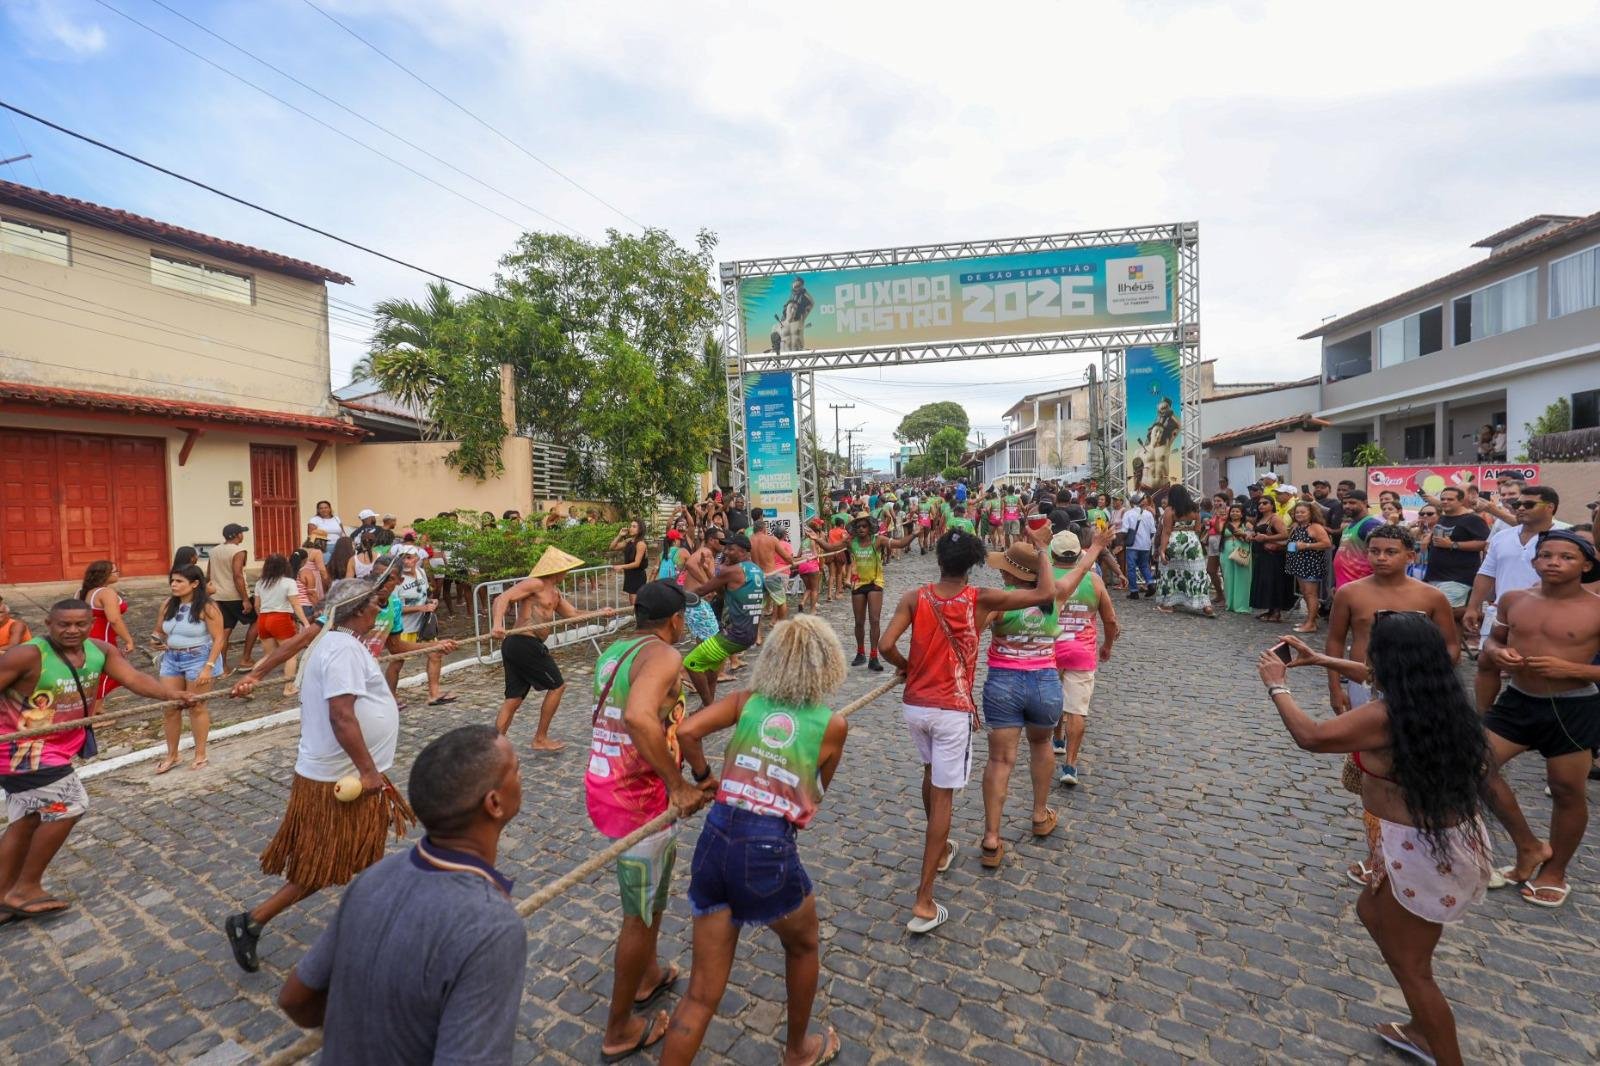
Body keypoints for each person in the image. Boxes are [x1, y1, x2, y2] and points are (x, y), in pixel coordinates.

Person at [1261, 613, 1491, 1066]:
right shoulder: (1434, 697)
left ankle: (1441, 1049)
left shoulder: (1385, 715)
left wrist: (1277, 684)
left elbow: (1310, 737)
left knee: (1414, 969)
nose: (1364, 661)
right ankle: (1421, 1030)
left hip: (1418, 850)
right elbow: (1370, 678)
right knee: (1371, 910)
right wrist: (1320, 659)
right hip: (1421, 842)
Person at [878, 528, 1107, 933]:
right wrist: (1053, 553)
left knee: (947, 771)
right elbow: (1050, 591)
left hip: (923, 705)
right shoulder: (985, 598)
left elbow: (886, 645)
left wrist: (909, 665)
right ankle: (926, 899)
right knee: (956, 790)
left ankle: (967, 841)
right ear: (972, 565)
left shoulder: (923, 597)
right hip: (979, 701)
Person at [278, 724, 525, 1063]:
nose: (521, 769)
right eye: (516, 768)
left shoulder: (375, 877)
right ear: (494, 803)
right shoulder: (491, 926)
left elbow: (295, 999)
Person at [664, 615, 849, 1066]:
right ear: (827, 667)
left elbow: (687, 731)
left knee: (701, 993)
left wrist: (705, 778)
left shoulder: (745, 701)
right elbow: (813, 798)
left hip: (715, 838)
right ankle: (798, 1049)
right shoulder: (832, 726)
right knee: (802, 945)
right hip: (767, 848)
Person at [225, 579, 419, 973]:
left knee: (359, 853)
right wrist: (368, 771)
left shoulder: (337, 641)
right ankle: (251, 922)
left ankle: (375, 921)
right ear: (359, 611)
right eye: (375, 606)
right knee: (321, 865)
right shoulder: (342, 648)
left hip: (345, 772)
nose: (379, 612)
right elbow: (341, 714)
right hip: (340, 776)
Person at [585, 581, 713, 1062]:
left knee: (653, 894)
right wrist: (677, 784)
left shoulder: (618, 649)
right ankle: (618, 1028)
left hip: (614, 785)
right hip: (637, 797)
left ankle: (649, 975)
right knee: (637, 913)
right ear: (675, 619)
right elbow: (640, 717)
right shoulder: (663, 657)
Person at [0, 600, 191, 921]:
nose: (72, 630)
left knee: (29, 818)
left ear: (90, 623)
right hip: (21, 754)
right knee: (69, 806)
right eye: (64, 624)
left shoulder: (100, 650)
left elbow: (133, 678)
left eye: (80, 624)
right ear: (48, 623)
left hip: (56, 749)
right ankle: (25, 889)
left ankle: (3, 896)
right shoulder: (27, 655)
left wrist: (169, 694)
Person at [1478, 530, 1600, 909]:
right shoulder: (1514, 600)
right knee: (1473, 766)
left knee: (1566, 789)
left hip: (1573, 706)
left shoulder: (1596, 608)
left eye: (1565, 557)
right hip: (1518, 701)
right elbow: (1493, 642)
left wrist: (1572, 668)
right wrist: (1497, 653)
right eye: (1546, 555)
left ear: (1586, 565)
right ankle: (1528, 846)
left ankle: (1555, 871)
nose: (1553, 563)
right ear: (1534, 562)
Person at [977, 543, 1067, 868]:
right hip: (1045, 683)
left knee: (1000, 760)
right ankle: (1040, 815)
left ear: (1008, 572)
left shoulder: (999, 602)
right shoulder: (1056, 595)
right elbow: (1083, 568)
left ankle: (991, 838)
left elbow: (971, 633)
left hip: (1003, 683)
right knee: (1042, 744)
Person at [1464, 485, 1564, 711]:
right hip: (1500, 612)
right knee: (1486, 663)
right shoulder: (1502, 537)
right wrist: (1472, 606)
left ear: (1550, 508)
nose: (1519, 508)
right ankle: (1483, 718)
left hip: (1546, 614)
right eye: (1517, 504)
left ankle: (1546, 718)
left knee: (1536, 668)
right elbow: (1486, 574)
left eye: (1528, 504)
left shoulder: (1565, 534)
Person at [491, 547, 585, 752]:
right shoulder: (536, 584)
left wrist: (601, 613)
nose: (567, 572)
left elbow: (574, 614)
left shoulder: (555, 593)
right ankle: (540, 738)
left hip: (523, 645)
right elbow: (502, 598)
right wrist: (497, 623)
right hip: (524, 643)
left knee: (513, 699)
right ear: (556, 569)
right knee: (557, 686)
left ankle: (493, 748)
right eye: (565, 568)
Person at [1050, 531, 1118, 787]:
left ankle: (1056, 738)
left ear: (1053, 555)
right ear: (1079, 553)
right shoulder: (1094, 581)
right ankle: (1070, 764)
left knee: (1054, 695)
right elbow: (1110, 620)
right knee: (1077, 708)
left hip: (1050, 648)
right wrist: (1107, 646)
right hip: (1081, 650)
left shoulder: (1044, 579)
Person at [151, 565, 224, 774]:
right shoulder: (167, 605)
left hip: (198, 658)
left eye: (179, 581)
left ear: (194, 584)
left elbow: (219, 638)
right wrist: (155, 640)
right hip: (171, 658)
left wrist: (208, 667)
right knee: (170, 708)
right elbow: (158, 631)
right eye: (172, 581)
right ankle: (172, 754)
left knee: (196, 707)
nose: (174, 585)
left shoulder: (207, 607)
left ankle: (200, 753)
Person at [685, 533, 765, 707]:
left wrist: (672, 596)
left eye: (731, 549)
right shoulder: (756, 569)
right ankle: (707, 704)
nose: (726, 552)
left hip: (733, 636)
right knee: (712, 668)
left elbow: (702, 590)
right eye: (725, 548)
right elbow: (722, 594)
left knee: (690, 663)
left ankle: (708, 708)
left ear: (744, 551)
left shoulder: (732, 571)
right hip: (748, 634)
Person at [843, 513, 917, 672]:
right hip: (857, 585)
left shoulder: (878, 540)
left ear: (869, 527)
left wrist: (914, 535)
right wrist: (817, 540)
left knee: (874, 620)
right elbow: (831, 548)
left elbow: (899, 544)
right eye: (858, 527)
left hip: (875, 583)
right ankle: (860, 652)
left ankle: (874, 656)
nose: (861, 529)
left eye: (864, 526)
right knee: (858, 621)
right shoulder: (851, 543)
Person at [1423, 488, 1488, 649]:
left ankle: (1482, 616)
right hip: (1435, 575)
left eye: (1450, 499)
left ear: (1461, 501)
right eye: (1443, 499)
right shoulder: (1443, 517)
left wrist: (1453, 545)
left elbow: (1484, 543)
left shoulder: (1472, 519)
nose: (1445, 502)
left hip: (1458, 576)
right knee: (1446, 617)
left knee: (1443, 615)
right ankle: (1450, 654)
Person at [394, 549, 456, 707]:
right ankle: (390, 697)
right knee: (397, 662)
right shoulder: (396, 580)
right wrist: (420, 608)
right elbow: (394, 608)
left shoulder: (421, 572)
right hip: (404, 628)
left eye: (409, 558)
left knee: (435, 654)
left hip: (423, 625)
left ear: (417, 558)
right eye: (403, 558)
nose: (406, 562)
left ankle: (434, 694)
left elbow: (424, 595)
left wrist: (431, 601)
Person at [254, 554, 309, 695]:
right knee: (291, 654)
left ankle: (249, 684)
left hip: (263, 619)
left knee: (269, 656)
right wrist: (306, 623)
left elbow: (257, 605)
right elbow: (296, 605)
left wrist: (263, 618)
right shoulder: (288, 582)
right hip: (281, 618)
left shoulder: (261, 583)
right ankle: (288, 687)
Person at [79, 560, 135, 699]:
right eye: (115, 571)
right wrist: (128, 640)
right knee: (107, 673)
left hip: (87, 637)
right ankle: (96, 714)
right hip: (103, 638)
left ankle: (97, 710)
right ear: (105, 575)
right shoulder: (106, 593)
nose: (118, 573)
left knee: (91, 673)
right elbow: (114, 620)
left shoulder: (82, 592)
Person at [1154, 486, 1213, 616]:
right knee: (1196, 573)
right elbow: (1198, 529)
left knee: (1171, 573)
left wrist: (1162, 551)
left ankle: (1169, 604)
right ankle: (1206, 606)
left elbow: (1166, 531)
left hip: (1174, 541)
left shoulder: (1170, 510)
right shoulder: (1195, 509)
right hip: (1192, 542)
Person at [208, 523, 257, 673]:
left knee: (224, 631)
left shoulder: (214, 551)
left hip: (217, 595)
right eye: (241, 533)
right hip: (235, 595)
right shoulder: (239, 551)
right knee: (257, 621)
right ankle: (246, 658)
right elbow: (238, 576)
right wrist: (245, 599)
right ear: (237, 535)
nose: (242, 535)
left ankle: (222, 667)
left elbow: (208, 574)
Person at [1284, 501, 1332, 633]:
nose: (1299, 514)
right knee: (1305, 593)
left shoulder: (1315, 527)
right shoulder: (1297, 526)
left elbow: (1327, 544)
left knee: (1311, 594)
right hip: (1299, 564)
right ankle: (1310, 619)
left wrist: (1307, 546)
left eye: (1303, 512)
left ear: (1311, 513)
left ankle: (1311, 624)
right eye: (1297, 512)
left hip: (1311, 565)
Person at [1245, 495, 1293, 623]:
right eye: (1260, 503)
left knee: (1274, 582)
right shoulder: (1259, 519)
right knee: (1266, 583)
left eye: (1265, 503)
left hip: (1273, 556)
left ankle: (1276, 612)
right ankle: (1270, 610)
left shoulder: (1275, 518)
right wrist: (1252, 535)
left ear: (1272, 505)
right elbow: (1259, 534)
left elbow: (1285, 534)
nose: (1261, 505)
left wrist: (1266, 538)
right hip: (1261, 555)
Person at [749, 517, 796, 633]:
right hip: (771, 575)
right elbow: (786, 557)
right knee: (781, 601)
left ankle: (757, 634)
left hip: (756, 577)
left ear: (754, 530)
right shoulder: (771, 540)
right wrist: (792, 562)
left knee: (757, 607)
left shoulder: (749, 541)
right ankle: (783, 628)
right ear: (764, 529)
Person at [1333, 491, 1383, 591]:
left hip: (1361, 586)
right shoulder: (1349, 526)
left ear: (1365, 503)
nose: (1347, 506)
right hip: (1344, 584)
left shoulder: (1371, 525)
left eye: (1352, 503)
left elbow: (1380, 555)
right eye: (1344, 503)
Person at [1121, 494, 1157, 599]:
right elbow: (1152, 531)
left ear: (1132, 503)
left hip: (1132, 545)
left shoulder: (1128, 514)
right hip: (1145, 545)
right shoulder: (1148, 514)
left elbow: (1124, 530)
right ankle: (1150, 583)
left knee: (1131, 568)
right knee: (1144, 565)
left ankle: (1134, 591)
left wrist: (1123, 541)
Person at [1220, 503, 1254, 614]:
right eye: (1232, 511)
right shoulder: (1226, 523)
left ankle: (1241, 605)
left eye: (1237, 511)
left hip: (1242, 550)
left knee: (1242, 577)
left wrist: (1243, 534)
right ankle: (1230, 603)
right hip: (1226, 552)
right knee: (1228, 577)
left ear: (1242, 513)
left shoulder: (1247, 524)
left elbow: (1251, 537)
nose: (1234, 513)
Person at [612, 519, 651, 605]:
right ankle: (636, 616)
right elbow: (613, 547)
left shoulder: (641, 544)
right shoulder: (629, 541)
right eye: (631, 526)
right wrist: (619, 535)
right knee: (632, 600)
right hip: (630, 574)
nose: (631, 528)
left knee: (635, 602)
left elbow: (637, 563)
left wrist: (621, 566)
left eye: (634, 526)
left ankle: (638, 617)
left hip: (637, 575)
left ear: (640, 529)